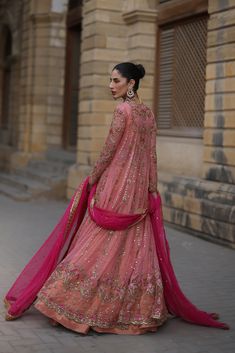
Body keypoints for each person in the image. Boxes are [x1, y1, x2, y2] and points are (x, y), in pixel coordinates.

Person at [4, 62, 229, 334]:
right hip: (138, 190)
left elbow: (109, 149)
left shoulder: (123, 110)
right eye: (110, 80)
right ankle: (136, 311)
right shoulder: (147, 113)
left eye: (116, 81)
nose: (111, 86)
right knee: (134, 245)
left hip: (116, 184)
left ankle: (73, 306)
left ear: (131, 83)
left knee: (97, 240)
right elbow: (151, 154)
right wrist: (151, 187)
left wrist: (93, 177)